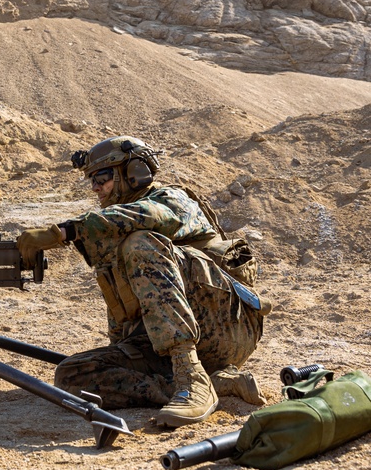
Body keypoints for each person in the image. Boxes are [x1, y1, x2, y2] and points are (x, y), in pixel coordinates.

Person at [16, 136, 268, 427]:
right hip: (161, 344)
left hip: (225, 326)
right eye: (92, 180)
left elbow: (149, 216)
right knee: (71, 376)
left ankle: (192, 379)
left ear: (133, 173)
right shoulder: (116, 225)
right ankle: (210, 383)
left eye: (102, 177)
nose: (95, 187)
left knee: (140, 242)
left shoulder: (171, 200)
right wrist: (121, 353)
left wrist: (66, 231)